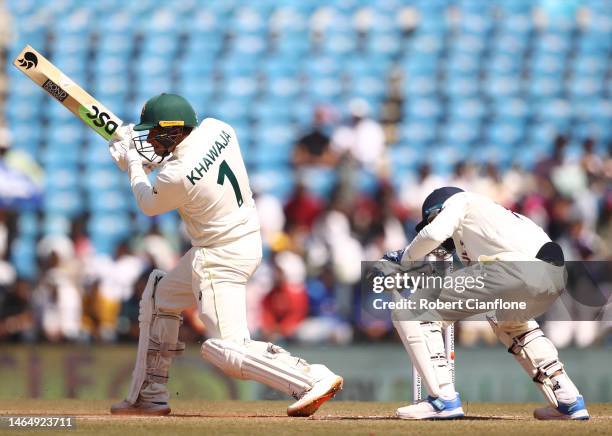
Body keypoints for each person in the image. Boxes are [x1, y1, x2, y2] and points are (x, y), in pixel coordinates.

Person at [107, 93, 342, 416]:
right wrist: (146, 160)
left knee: (227, 350)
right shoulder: (220, 129)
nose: (148, 138)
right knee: (159, 295)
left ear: (173, 130)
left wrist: (134, 165)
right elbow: (182, 167)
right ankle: (150, 394)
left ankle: (309, 378)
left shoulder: (175, 175)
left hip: (218, 257)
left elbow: (149, 203)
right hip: (245, 240)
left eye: (153, 132)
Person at [378, 187, 589, 420]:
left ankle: (442, 399)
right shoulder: (496, 221)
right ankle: (567, 399)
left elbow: (433, 235)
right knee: (510, 326)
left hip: (514, 271)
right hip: (553, 276)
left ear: (438, 211)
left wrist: (405, 258)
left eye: (429, 221)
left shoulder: (461, 201)